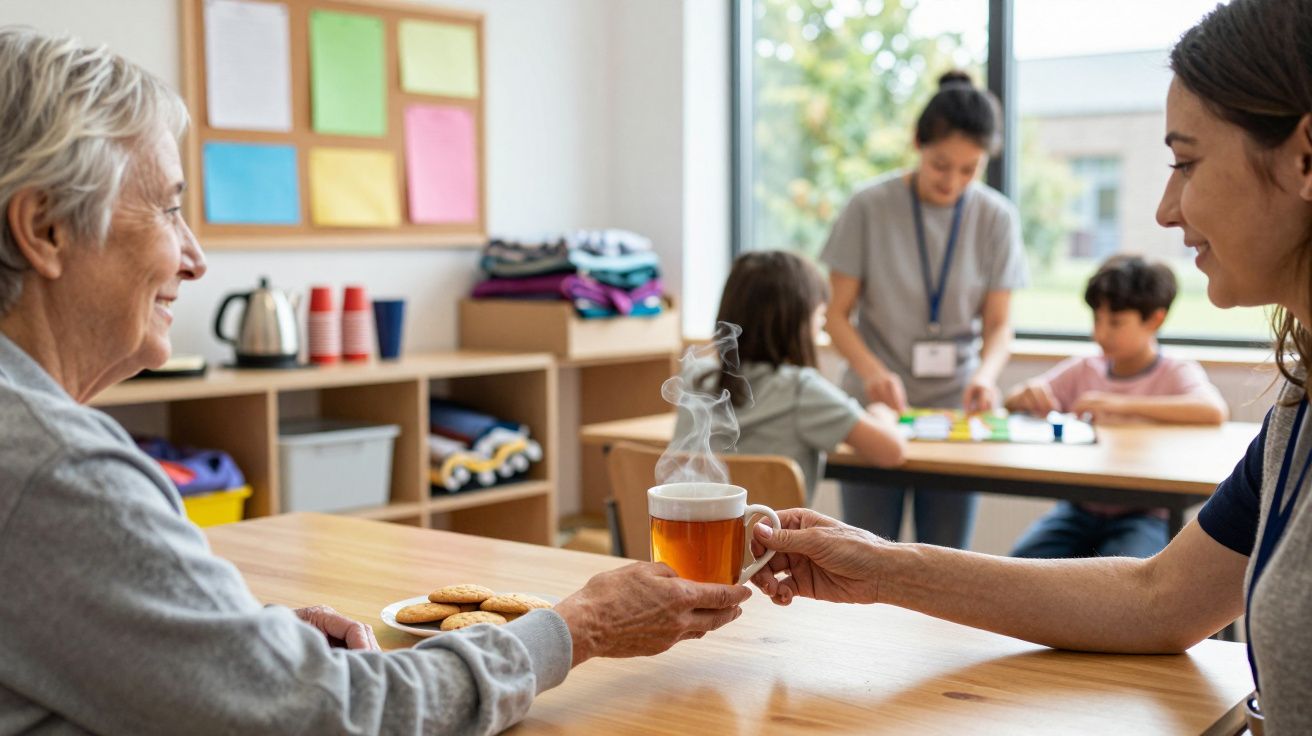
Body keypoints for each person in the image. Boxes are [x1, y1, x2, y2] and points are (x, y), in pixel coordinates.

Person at [0, 27, 750, 735]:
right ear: (45, 229)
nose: (195, 258)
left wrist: (233, 648)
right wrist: (576, 627)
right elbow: (341, 717)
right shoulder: (60, 471)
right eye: (168, 207)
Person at [748, 1, 1312, 731]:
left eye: (1185, 161)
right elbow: (1158, 599)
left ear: (1305, 158)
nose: (1165, 210)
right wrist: (880, 565)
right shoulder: (1294, 416)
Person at [821, 70, 1028, 549]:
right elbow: (835, 315)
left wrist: (986, 376)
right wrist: (872, 371)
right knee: (867, 555)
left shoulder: (996, 217)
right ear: (917, 143)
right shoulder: (868, 206)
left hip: (955, 411)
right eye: (940, 164)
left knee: (946, 564)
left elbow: (999, 324)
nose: (952, 181)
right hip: (877, 410)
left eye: (969, 169)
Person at [1005, 255, 1228, 559]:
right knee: (1020, 562)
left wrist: (1120, 404)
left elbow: (1213, 410)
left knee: (1126, 576)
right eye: (1096, 319)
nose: (1101, 333)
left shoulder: (1174, 372)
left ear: (1154, 320)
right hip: (1078, 510)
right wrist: (1026, 394)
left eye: (1116, 322)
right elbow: (1013, 400)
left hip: (1144, 515)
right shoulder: (1086, 368)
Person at [673, 251, 905, 502]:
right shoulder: (800, 389)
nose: (822, 326)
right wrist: (883, 414)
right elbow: (891, 451)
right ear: (799, 323)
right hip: (772, 539)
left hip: (695, 538)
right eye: (820, 317)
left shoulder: (696, 378)